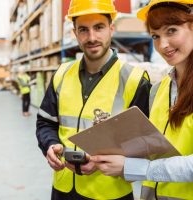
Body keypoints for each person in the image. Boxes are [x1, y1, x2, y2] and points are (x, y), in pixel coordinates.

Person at [36, 0, 151, 199]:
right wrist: (50, 145)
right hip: (63, 188)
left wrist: (101, 162)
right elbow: (45, 123)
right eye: (83, 30)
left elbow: (147, 144)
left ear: (111, 29)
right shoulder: (61, 75)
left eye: (99, 28)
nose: (91, 37)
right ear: (75, 33)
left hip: (109, 192)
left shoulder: (135, 79)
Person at [91, 0, 193, 199]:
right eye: (155, 36)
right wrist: (107, 151)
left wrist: (139, 168)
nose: (163, 45)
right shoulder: (158, 90)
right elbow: (155, 149)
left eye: (171, 30)